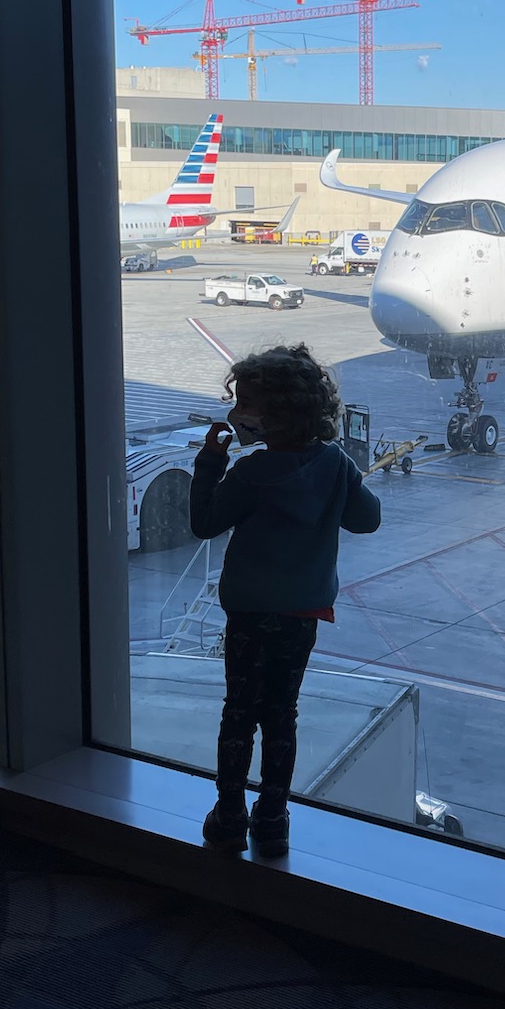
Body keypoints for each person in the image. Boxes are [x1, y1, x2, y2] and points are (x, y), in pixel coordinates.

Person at [189, 343, 381, 856]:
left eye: (247, 403)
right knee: (281, 714)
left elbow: (204, 523)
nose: (237, 413)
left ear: (275, 416)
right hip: (302, 613)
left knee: (239, 712)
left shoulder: (251, 475)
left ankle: (229, 813)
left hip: (250, 611)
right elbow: (367, 519)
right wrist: (346, 479)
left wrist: (211, 461)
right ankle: (272, 819)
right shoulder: (335, 466)